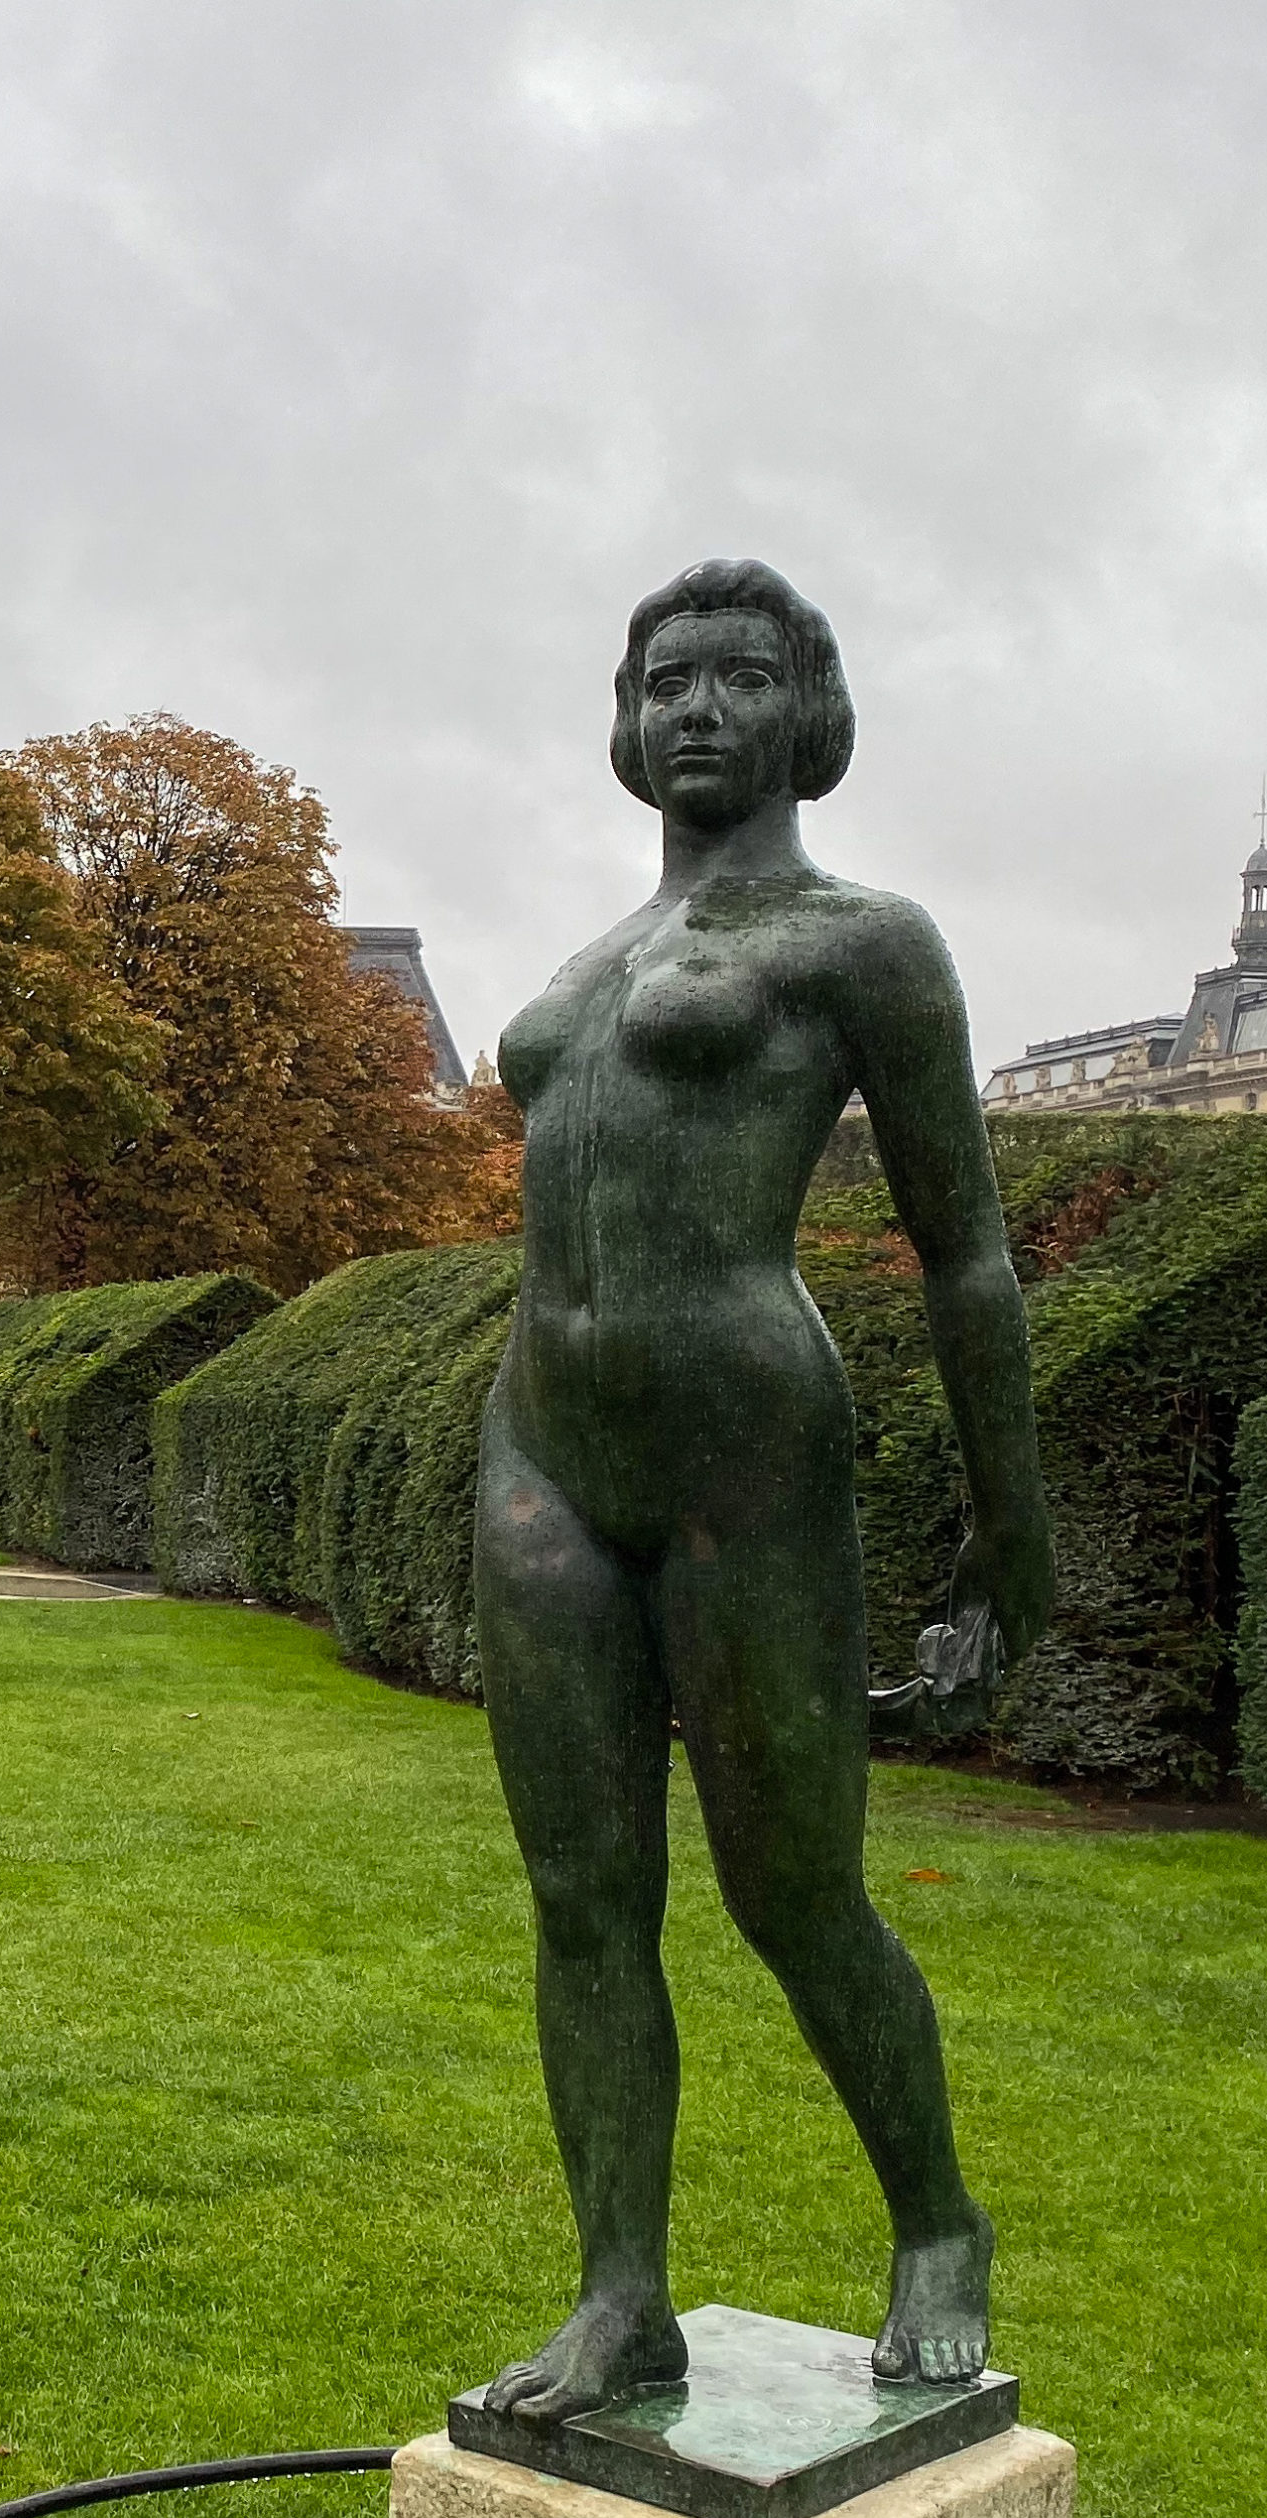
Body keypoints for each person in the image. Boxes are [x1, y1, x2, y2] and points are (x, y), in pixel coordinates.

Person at [466, 561, 1051, 2423]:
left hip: (746, 1457)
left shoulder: (863, 941)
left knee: (794, 1894)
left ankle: (937, 2220)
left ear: (811, 717)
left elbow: (966, 1253)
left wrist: (1009, 1524)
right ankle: (620, 2295)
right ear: (627, 722)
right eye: (666, 679)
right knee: (580, 1898)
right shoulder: (581, 970)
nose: (698, 706)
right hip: (543, 1451)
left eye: (739, 677)